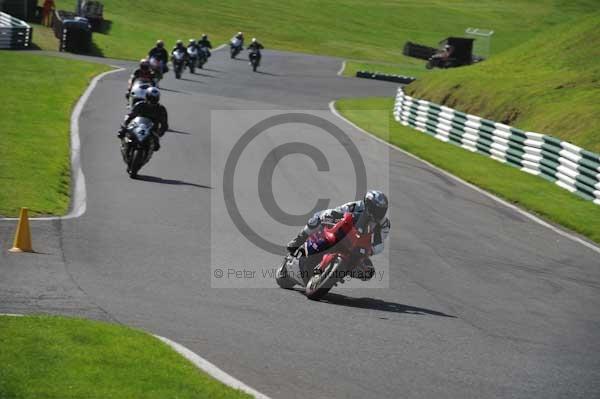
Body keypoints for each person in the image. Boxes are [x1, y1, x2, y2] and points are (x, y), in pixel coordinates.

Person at [286, 190, 390, 280]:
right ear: (368, 204)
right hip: (343, 233)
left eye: (381, 210)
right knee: (317, 218)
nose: (378, 213)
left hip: (358, 246)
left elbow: (380, 243)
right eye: (376, 209)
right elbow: (338, 211)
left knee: (369, 272)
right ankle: (299, 239)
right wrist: (330, 216)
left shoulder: (384, 224)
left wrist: (371, 250)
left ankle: (339, 273)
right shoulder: (356, 206)